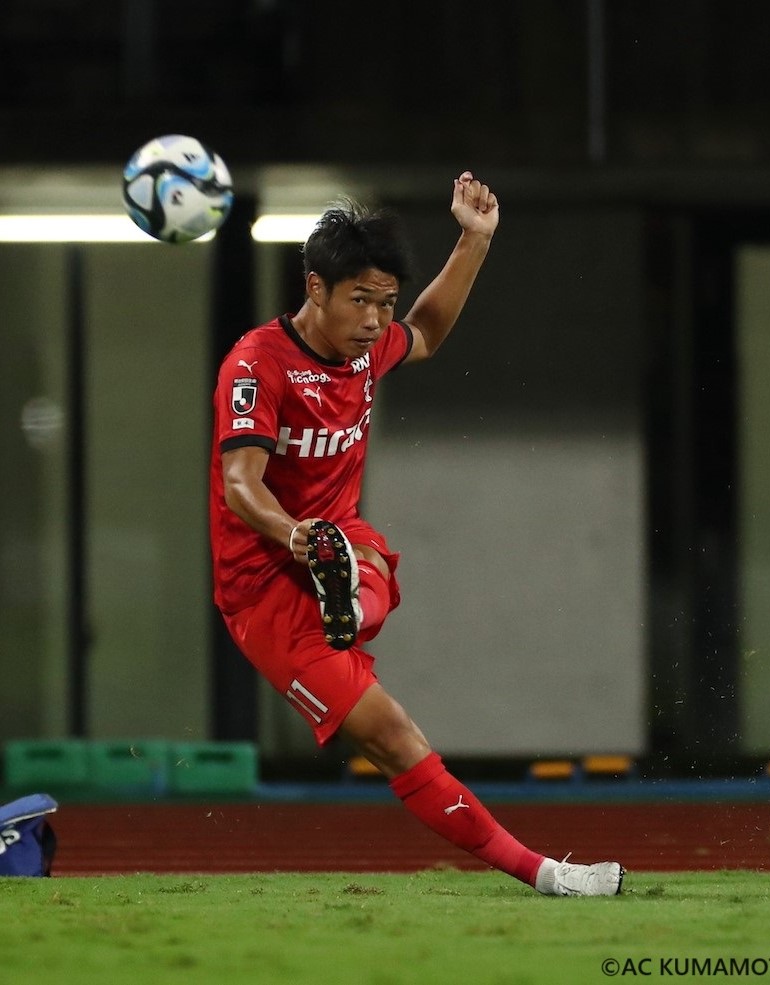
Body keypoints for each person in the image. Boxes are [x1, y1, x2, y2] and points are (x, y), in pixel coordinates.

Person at [209, 171, 624, 897]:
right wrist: (296, 534)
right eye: (360, 300)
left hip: (337, 537)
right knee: (395, 739)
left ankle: (346, 596)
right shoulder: (256, 364)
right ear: (315, 288)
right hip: (262, 582)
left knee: (368, 559)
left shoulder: (367, 349)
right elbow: (241, 485)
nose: (375, 320)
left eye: (385, 302)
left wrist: (475, 239)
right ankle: (547, 874)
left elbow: (426, 332)